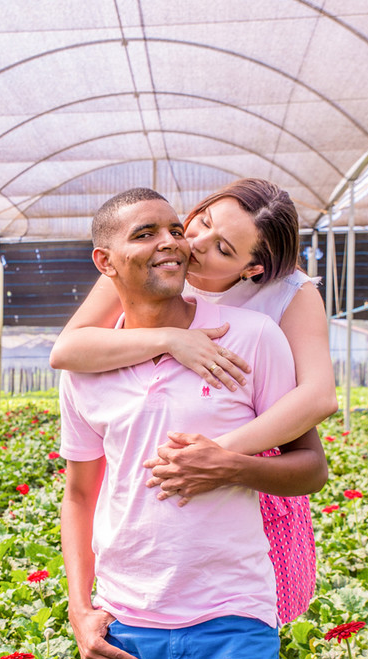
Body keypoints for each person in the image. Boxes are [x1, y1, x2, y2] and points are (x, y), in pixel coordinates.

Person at [59, 188, 328, 659]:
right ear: (106, 263)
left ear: (251, 267)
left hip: (231, 615)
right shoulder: (89, 364)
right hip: (127, 624)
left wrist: (228, 463)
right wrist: (81, 609)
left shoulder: (260, 332)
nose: (183, 242)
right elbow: (78, 494)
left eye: (183, 231)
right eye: (190, 226)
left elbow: (311, 455)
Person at [51, 178, 336, 625]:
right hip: (151, 513)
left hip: (249, 465)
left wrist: (220, 455)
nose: (195, 245)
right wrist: (172, 339)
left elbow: (318, 396)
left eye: (223, 249)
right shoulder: (151, 264)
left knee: (252, 615)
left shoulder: (288, 295)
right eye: (199, 222)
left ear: (252, 270)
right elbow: (67, 350)